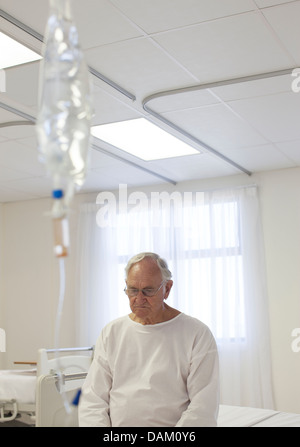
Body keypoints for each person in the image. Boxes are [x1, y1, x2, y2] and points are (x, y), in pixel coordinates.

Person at [78, 252, 219, 427]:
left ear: (167, 289)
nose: (139, 299)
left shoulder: (197, 334)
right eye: (132, 290)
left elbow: (202, 406)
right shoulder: (112, 332)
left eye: (148, 290)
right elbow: (93, 399)